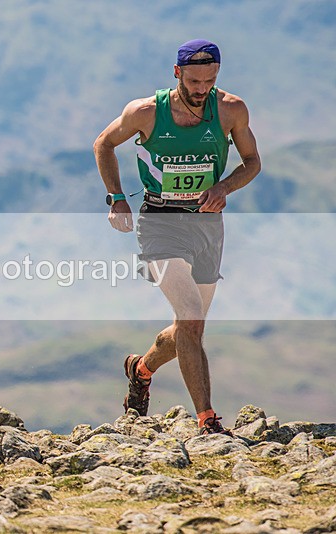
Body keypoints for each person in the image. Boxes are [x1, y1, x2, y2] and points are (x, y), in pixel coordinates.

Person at [93, 40, 261, 435]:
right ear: (176, 73)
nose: (202, 89)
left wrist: (224, 188)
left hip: (206, 226)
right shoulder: (146, 113)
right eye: (194, 81)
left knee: (191, 327)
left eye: (210, 81)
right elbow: (104, 144)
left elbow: (252, 161)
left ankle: (141, 368)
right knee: (189, 315)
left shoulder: (231, 109)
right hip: (159, 224)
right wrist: (117, 198)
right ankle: (207, 419)